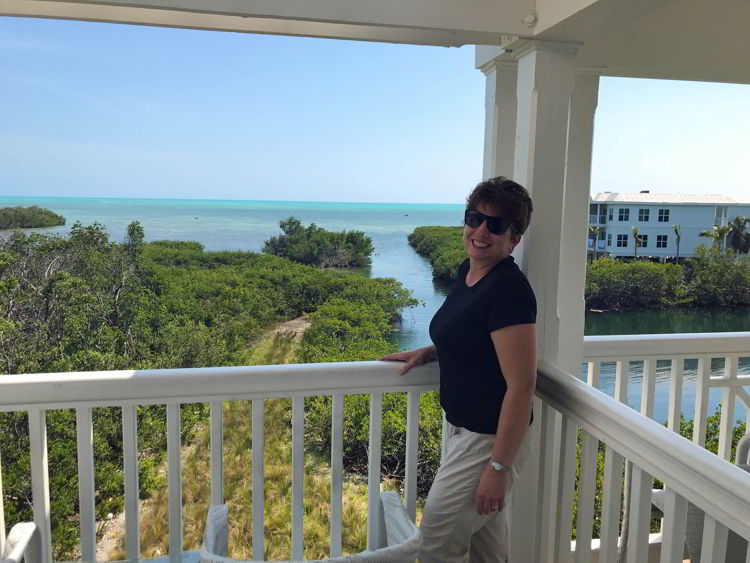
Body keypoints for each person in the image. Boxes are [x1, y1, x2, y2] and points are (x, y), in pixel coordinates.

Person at [380, 176, 536, 563]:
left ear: (514, 238)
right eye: (474, 218)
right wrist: (434, 350)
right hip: (462, 430)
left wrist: (498, 467)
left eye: (496, 224)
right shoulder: (467, 274)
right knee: (486, 547)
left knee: (435, 540)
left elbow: (521, 385)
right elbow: (475, 336)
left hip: (488, 439)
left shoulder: (508, 289)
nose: (481, 231)